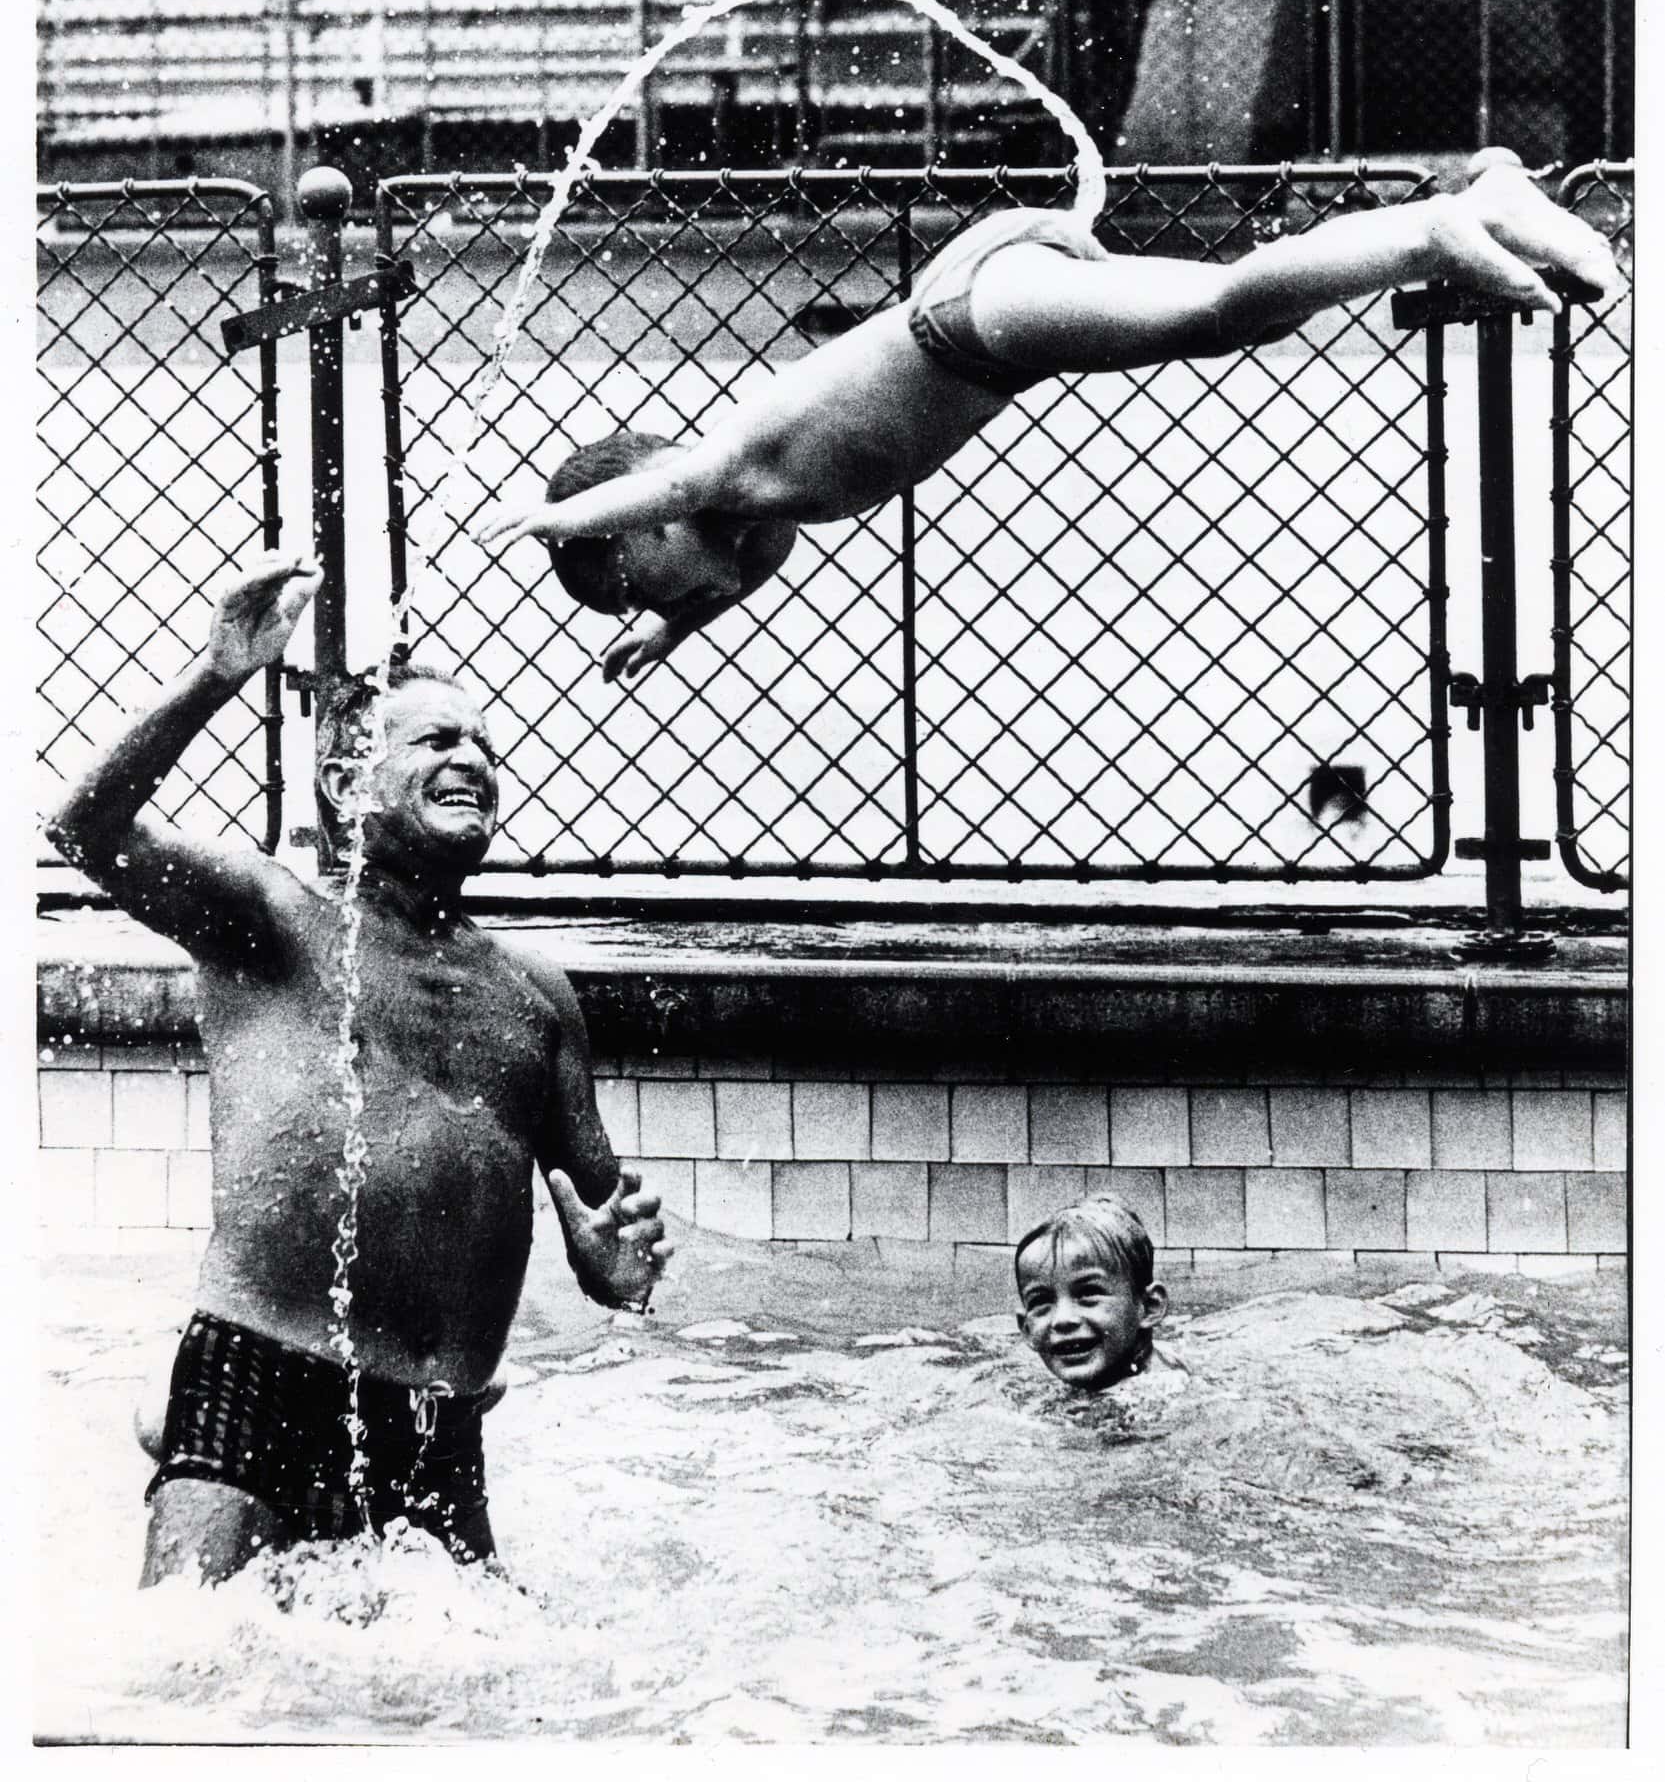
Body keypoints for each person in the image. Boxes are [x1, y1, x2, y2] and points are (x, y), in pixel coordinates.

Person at [47, 552, 672, 1585]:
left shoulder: (534, 993)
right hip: (257, 1377)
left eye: (484, 743)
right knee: (189, 1665)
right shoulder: (273, 920)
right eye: (436, 739)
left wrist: (621, 1273)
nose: (473, 757)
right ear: (346, 784)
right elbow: (86, 830)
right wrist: (215, 675)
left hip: (437, 1428)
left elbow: (607, 1229)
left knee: (472, 1682)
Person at [474, 152, 1623, 684]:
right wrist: (672, 633)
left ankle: (1437, 229)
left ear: (641, 520)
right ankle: (1484, 196)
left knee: (1223, 306)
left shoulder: (727, 469)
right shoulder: (747, 534)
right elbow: (723, 583)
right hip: (982, 327)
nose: (660, 601)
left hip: (973, 326)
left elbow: (671, 488)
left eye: (637, 585)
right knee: (1241, 317)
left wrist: (544, 520)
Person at [1013, 1194, 1170, 1394]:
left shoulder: (1168, 1392)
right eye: (1041, 1301)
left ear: (1149, 1307)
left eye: (1088, 1293)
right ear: (1026, 1329)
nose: (1063, 1319)